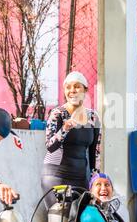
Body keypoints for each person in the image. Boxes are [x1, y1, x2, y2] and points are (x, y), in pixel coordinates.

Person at [41, 71, 101, 209]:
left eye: (76, 86)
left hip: (80, 178)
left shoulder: (93, 117)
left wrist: (95, 180)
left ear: (85, 89)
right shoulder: (58, 114)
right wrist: (65, 128)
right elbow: (50, 146)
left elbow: (95, 153)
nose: (72, 91)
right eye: (68, 87)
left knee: (82, 219)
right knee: (60, 219)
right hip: (56, 175)